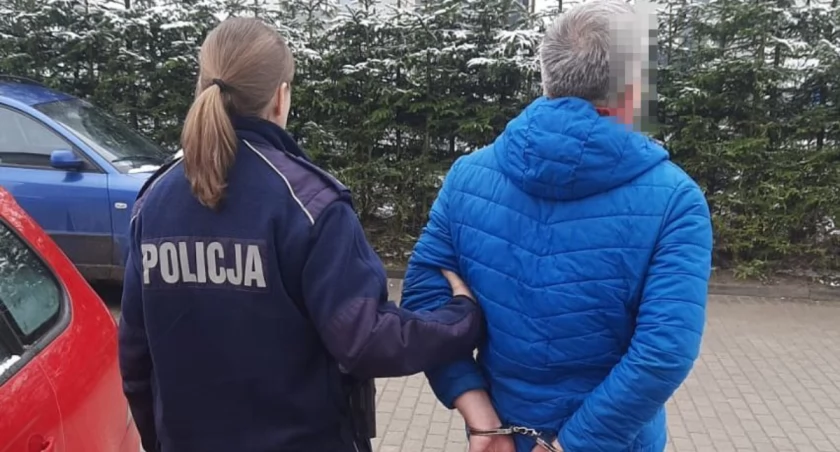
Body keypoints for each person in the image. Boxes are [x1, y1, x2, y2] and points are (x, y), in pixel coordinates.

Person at [118, 17, 485, 452]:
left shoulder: (153, 202)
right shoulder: (309, 204)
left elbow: (136, 358)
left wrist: (157, 440)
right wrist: (461, 318)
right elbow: (366, 340)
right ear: (280, 96)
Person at [400, 1, 714, 451]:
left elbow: (425, 301)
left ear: (547, 76)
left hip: (501, 437)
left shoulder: (468, 176)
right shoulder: (675, 199)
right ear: (633, 89)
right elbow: (663, 351)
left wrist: (477, 411)